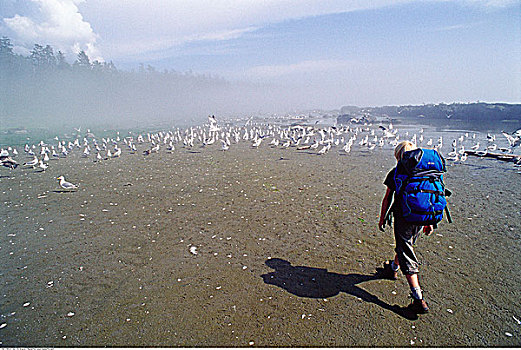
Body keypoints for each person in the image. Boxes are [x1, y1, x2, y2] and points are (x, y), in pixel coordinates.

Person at [378, 140, 432, 314]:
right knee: (405, 245)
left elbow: (387, 198)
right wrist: (429, 221)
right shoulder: (425, 173)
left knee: (406, 251)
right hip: (421, 217)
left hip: (404, 217)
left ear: (398, 155)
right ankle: (393, 269)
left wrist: (382, 218)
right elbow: (429, 198)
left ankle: (418, 299)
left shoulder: (396, 173)